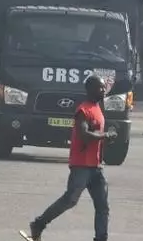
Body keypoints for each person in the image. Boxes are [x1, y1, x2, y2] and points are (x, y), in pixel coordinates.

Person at [26, 75, 115, 241]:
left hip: (96, 167)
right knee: (70, 200)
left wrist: (106, 140)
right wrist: (105, 135)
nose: (103, 90)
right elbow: (84, 136)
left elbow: (96, 138)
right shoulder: (83, 111)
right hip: (81, 165)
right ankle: (39, 224)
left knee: (103, 206)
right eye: (99, 88)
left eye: (103, 87)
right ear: (89, 90)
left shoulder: (98, 108)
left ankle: (101, 238)